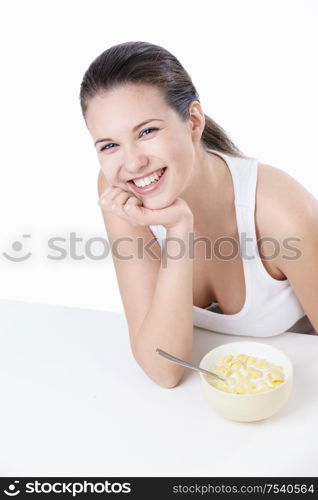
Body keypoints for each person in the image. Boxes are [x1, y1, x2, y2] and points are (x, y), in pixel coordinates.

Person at [79, 41, 318, 388]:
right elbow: (163, 368)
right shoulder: (120, 189)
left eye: (147, 131)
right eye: (110, 145)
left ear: (193, 121)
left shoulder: (279, 211)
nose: (131, 163)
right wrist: (178, 229)